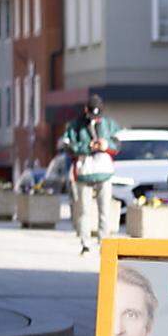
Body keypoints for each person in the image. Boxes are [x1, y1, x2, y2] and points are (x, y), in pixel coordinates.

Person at [62, 94, 121, 255]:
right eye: (92, 114)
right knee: (84, 210)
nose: (95, 118)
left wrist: (106, 145)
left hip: (104, 172)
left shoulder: (110, 124)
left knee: (105, 209)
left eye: (98, 115)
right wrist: (87, 146)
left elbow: (118, 145)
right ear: (85, 110)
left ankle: (104, 242)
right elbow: (67, 146)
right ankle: (85, 242)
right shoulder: (74, 126)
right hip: (84, 172)